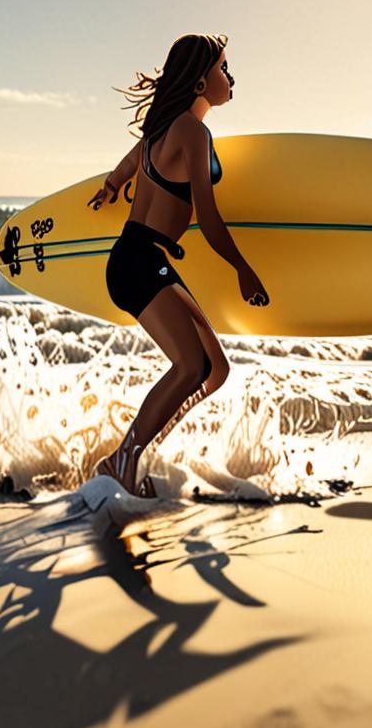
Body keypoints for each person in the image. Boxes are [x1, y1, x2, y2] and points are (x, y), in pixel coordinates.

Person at [86, 33, 269, 497]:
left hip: (139, 258)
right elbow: (207, 219)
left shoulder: (160, 132)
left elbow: (128, 163)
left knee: (215, 371)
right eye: (223, 68)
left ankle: (138, 453)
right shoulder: (192, 132)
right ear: (198, 83)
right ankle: (121, 460)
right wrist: (242, 269)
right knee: (190, 366)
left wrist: (111, 186)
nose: (230, 77)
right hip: (139, 261)